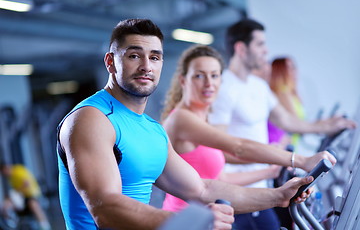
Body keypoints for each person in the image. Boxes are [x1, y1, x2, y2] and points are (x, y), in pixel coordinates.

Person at [57, 18, 318, 230]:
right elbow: (105, 208)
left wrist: (279, 196)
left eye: (155, 57)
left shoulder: (151, 129)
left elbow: (202, 188)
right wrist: (191, 222)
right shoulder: (92, 119)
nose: (146, 66)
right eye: (134, 56)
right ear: (111, 62)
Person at [208, 18, 356, 230]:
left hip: (262, 189)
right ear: (241, 49)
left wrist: (329, 125)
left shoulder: (258, 86)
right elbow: (218, 150)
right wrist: (279, 161)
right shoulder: (224, 88)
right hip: (239, 194)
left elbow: (287, 121)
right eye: (260, 44)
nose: (266, 51)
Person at [160, 45, 334, 215]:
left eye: (214, 75)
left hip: (210, 218)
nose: (209, 83)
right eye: (199, 76)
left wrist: (271, 173)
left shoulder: (202, 119)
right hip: (184, 219)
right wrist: (301, 160)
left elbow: (220, 179)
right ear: (183, 81)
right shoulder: (181, 119)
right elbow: (238, 146)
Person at [0, 163, 51, 230]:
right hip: (22, 198)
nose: (4, 175)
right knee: (6, 204)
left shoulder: (18, 171)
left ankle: (45, 226)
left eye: (3, 172)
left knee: (33, 204)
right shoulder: (10, 178)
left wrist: (16, 192)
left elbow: (27, 183)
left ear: (6, 168)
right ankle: (10, 223)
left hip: (32, 195)